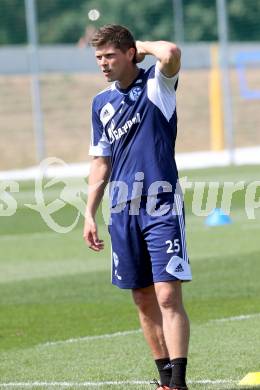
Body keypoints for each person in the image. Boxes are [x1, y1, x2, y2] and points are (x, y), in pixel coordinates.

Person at [83, 24, 192, 390]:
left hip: (160, 204)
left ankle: (179, 382)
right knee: (143, 299)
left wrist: (141, 45)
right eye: (98, 57)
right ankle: (164, 380)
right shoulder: (101, 103)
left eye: (110, 55)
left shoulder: (157, 86)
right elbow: (101, 163)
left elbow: (172, 52)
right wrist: (89, 212)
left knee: (166, 294)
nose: (103, 63)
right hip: (121, 211)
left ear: (129, 54)